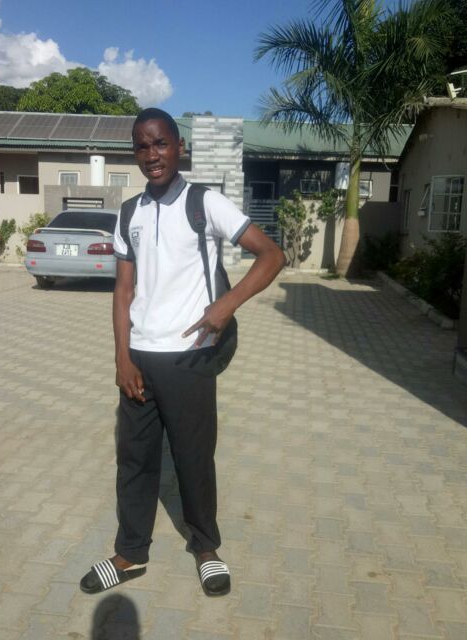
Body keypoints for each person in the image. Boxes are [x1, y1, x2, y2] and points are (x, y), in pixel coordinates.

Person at [80, 108, 285, 597]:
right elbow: (123, 290)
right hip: (140, 357)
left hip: (190, 357)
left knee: (193, 459)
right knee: (134, 460)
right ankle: (131, 553)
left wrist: (226, 306)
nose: (151, 154)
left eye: (160, 143)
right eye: (142, 146)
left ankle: (206, 547)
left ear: (179, 147)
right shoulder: (128, 213)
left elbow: (272, 255)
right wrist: (122, 358)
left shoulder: (204, 203)